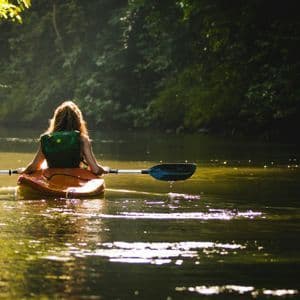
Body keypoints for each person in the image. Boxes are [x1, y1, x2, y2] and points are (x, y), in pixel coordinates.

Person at [22, 101, 107, 175]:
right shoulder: (82, 139)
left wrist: (23, 171)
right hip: (74, 179)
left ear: (56, 120)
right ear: (77, 120)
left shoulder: (47, 139)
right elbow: (95, 170)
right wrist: (103, 170)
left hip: (51, 179)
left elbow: (34, 167)